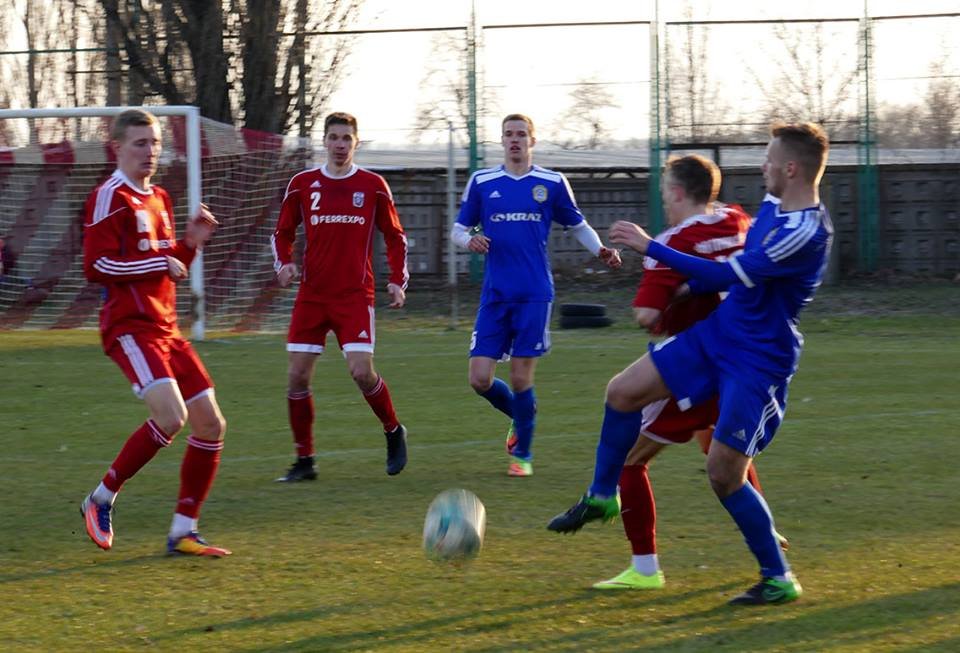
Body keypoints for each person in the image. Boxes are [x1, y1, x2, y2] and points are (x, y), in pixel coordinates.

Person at [548, 121, 833, 606]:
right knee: (621, 392)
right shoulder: (771, 206)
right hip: (718, 334)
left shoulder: (803, 232)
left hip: (758, 359)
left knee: (724, 473)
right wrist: (686, 289)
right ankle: (602, 495)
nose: (762, 166)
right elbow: (725, 275)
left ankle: (778, 577)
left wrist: (650, 247)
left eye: (768, 159)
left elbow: (728, 274)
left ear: (790, 168)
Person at [588, 155, 784, 591]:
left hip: (695, 366)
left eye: (664, 193)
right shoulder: (737, 219)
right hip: (743, 361)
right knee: (721, 452)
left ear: (677, 193)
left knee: (629, 457)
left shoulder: (673, 242)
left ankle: (644, 568)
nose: (664, 202)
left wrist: (668, 295)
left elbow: (646, 315)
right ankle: (767, 536)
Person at [80, 108, 230, 557]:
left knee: (211, 424)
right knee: (171, 417)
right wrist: (161, 262)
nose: (149, 151)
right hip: (130, 327)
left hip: (167, 329)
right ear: (117, 148)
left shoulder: (160, 197)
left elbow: (169, 267)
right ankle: (100, 498)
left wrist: (191, 244)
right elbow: (97, 266)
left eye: (155, 143)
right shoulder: (110, 196)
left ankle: (184, 531)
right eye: (140, 143)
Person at [451, 113, 622, 477]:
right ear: (501, 141)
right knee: (479, 378)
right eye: (508, 134)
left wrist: (601, 250)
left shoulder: (551, 183)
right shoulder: (482, 182)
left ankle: (522, 457)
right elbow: (458, 230)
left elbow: (578, 225)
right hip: (495, 294)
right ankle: (520, 413)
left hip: (534, 293)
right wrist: (470, 240)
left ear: (532, 140)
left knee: (520, 377)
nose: (514, 140)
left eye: (521, 134)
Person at [271, 111, 409, 482]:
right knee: (297, 377)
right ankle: (305, 461)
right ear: (324, 141)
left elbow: (395, 236)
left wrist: (398, 280)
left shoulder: (373, 185)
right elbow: (282, 232)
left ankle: (393, 429)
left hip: (354, 296)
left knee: (361, 372)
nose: (340, 145)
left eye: (346, 138)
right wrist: (283, 263)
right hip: (312, 295)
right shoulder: (303, 184)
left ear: (356, 142)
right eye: (334, 137)